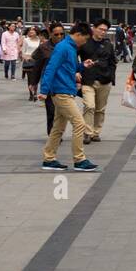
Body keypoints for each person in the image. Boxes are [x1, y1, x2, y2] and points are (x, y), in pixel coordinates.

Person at [39, 22, 98, 172]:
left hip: (65, 90)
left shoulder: (70, 47)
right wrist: (44, 90)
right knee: (79, 124)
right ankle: (79, 160)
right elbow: (50, 68)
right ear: (78, 35)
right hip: (61, 92)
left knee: (58, 127)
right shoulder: (63, 47)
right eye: (84, 40)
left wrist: (82, 65)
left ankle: (49, 158)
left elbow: (68, 68)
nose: (84, 43)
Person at [79, 19, 117, 144]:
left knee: (100, 109)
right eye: (100, 29)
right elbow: (74, 56)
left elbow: (113, 62)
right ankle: (87, 133)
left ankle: (96, 132)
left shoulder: (108, 44)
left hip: (104, 80)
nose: (103, 32)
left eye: (105, 30)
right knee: (89, 106)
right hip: (88, 80)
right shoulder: (85, 42)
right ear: (94, 28)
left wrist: (111, 77)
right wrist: (77, 71)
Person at [20, 26, 42, 101]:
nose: (31, 32)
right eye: (30, 31)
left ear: (37, 32)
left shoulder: (40, 40)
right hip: (28, 61)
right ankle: (31, 94)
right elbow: (23, 51)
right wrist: (25, 57)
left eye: (33, 30)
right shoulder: (26, 40)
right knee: (30, 78)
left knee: (36, 78)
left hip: (37, 61)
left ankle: (35, 93)